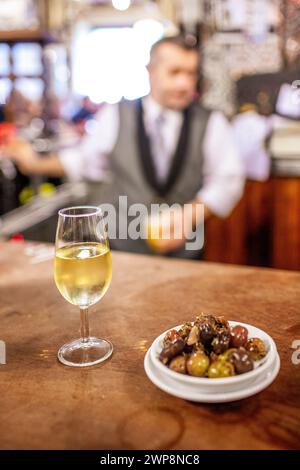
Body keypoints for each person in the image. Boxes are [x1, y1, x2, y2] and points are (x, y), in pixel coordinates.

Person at [1, 35, 244, 258]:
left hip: (185, 254)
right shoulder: (116, 113)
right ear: (150, 71)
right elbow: (83, 162)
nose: (184, 83)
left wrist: (188, 215)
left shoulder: (212, 121)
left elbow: (227, 180)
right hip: (124, 251)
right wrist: (33, 163)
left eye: (191, 74)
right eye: (175, 72)